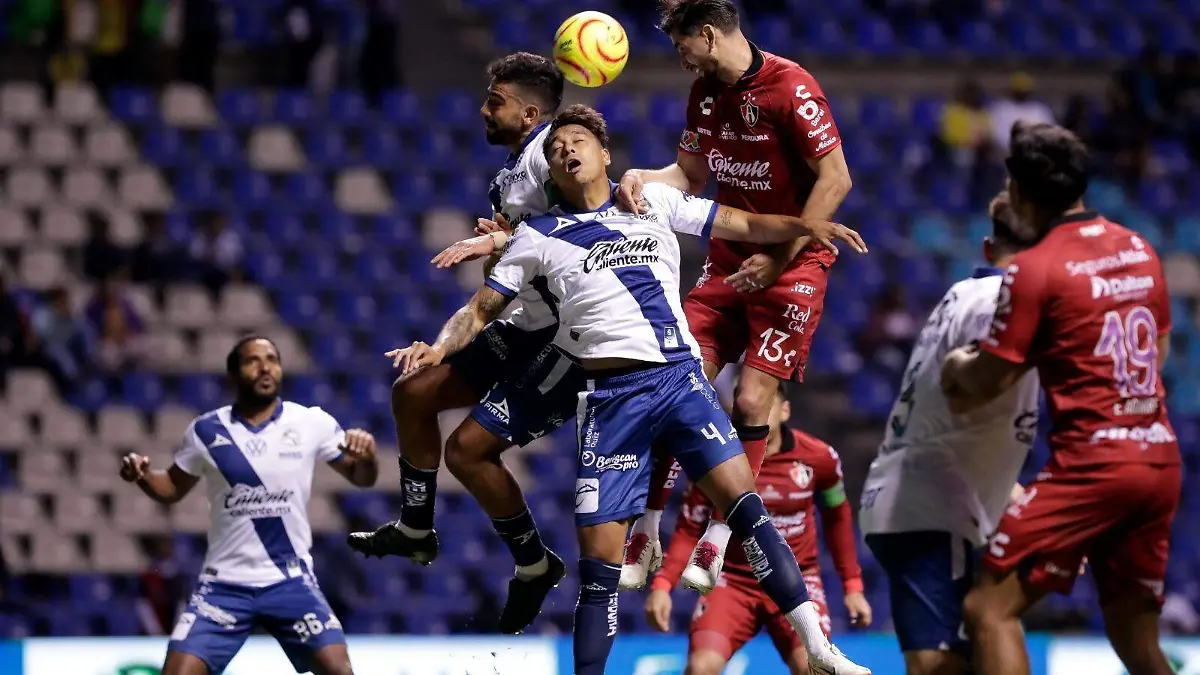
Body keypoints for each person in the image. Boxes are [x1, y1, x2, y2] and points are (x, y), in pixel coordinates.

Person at [414, 104, 869, 675]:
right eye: (556, 149)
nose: (566, 151)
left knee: (748, 512)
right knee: (599, 571)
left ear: (606, 154)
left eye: (578, 141)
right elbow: (479, 311)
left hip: (680, 379)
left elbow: (745, 225)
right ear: (549, 172)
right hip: (611, 400)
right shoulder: (537, 235)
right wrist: (439, 347)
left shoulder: (651, 201)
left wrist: (807, 226)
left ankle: (819, 646)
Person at [615, 0, 854, 594]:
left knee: (751, 404)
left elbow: (836, 178)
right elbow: (690, 176)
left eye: (681, 45)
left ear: (706, 34)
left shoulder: (790, 87)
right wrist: (642, 178)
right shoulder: (702, 94)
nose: (679, 57)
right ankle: (645, 529)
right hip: (728, 261)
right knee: (674, 383)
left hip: (793, 262)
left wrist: (777, 258)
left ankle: (721, 536)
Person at [346, 52, 577, 635]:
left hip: (564, 341)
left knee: (468, 451)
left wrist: (504, 237)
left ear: (529, 112)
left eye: (495, 100)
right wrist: (499, 249)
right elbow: (507, 276)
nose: (483, 109)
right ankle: (416, 530)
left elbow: (590, 224)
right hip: (519, 325)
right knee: (414, 392)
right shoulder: (511, 172)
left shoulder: (557, 153)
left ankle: (535, 565)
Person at [941, 122, 1180, 675]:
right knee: (1137, 640)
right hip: (1159, 459)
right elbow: (1159, 354)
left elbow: (987, 381)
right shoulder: (1139, 246)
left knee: (989, 608)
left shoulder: (1035, 268)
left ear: (1021, 193)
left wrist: (957, 364)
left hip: (1094, 468)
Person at [117, 336, 379, 675]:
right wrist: (141, 474)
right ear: (233, 374)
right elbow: (170, 488)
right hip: (224, 586)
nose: (265, 366)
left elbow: (361, 478)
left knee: (340, 671)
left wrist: (369, 458)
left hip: (290, 582)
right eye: (253, 360)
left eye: (272, 359)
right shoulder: (206, 431)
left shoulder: (311, 422)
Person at [858, 190, 1040, 675]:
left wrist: (1011, 493)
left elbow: (955, 420)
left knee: (981, 639)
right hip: (935, 504)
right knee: (963, 650)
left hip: (913, 493)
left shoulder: (961, 294)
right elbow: (968, 390)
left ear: (986, 248)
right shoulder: (1002, 302)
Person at [645, 382, 872, 675]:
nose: (755, 411)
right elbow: (690, 528)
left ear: (785, 410)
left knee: (812, 669)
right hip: (733, 583)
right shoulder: (717, 463)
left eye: (767, 403)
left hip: (799, 580)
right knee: (700, 668)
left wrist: (852, 586)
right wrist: (662, 586)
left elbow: (838, 518)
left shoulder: (820, 459)